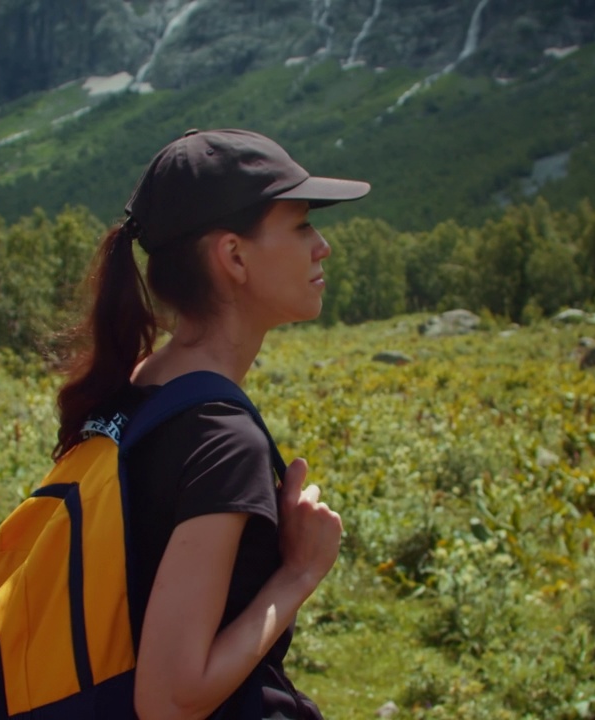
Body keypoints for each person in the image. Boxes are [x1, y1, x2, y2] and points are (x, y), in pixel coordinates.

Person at [52, 128, 370, 719]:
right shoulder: (221, 440)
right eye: (300, 225)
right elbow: (169, 700)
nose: (321, 245)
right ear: (234, 257)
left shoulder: (141, 388)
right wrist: (298, 574)